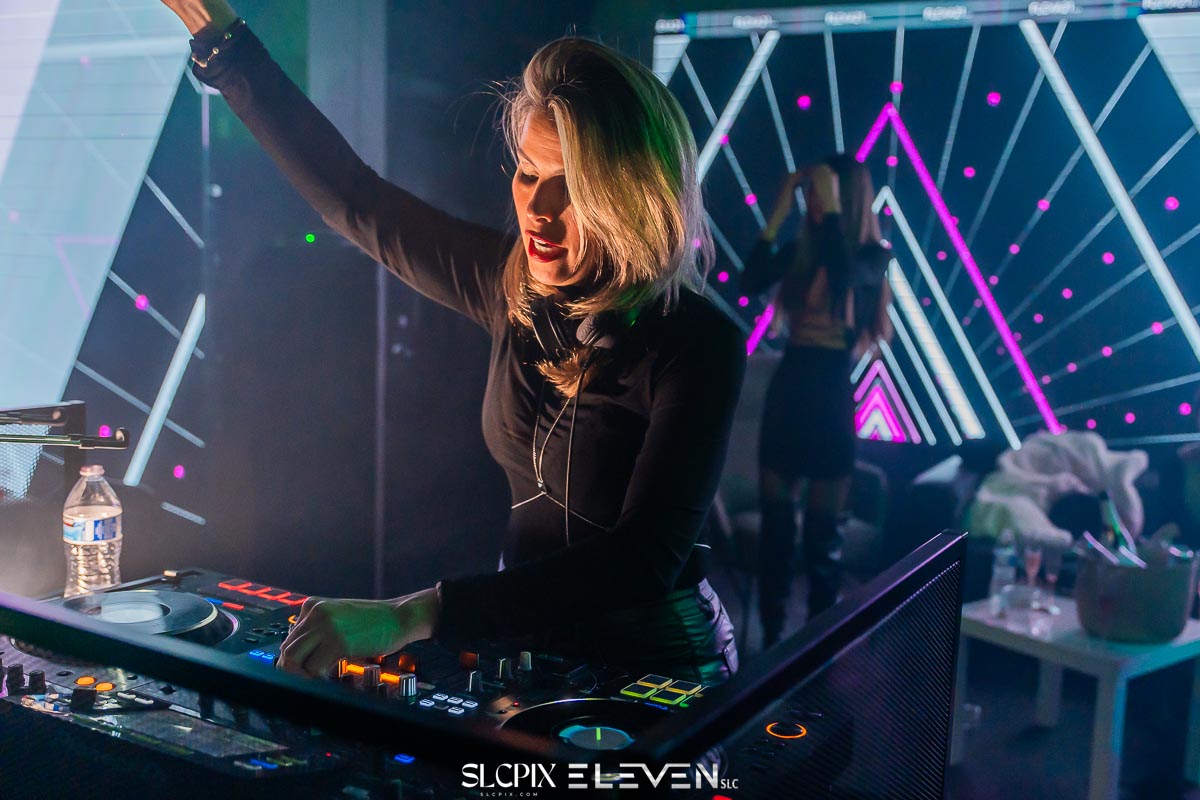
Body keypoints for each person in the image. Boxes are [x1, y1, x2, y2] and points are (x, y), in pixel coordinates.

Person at [159, 1, 745, 685]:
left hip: (658, 671)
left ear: (631, 195)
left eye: (571, 187)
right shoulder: (511, 286)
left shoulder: (698, 343)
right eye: (528, 174)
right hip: (525, 652)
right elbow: (357, 201)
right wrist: (222, 39)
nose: (539, 211)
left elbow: (641, 561)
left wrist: (417, 613)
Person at [741, 154, 892, 647]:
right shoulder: (801, 252)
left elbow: (843, 276)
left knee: (823, 544)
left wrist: (828, 210)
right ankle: (769, 644)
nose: (814, 200)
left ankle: (819, 651)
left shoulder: (872, 258)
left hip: (830, 400)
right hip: (790, 392)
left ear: (845, 197)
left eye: (823, 191)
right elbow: (749, 281)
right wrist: (779, 211)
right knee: (776, 535)